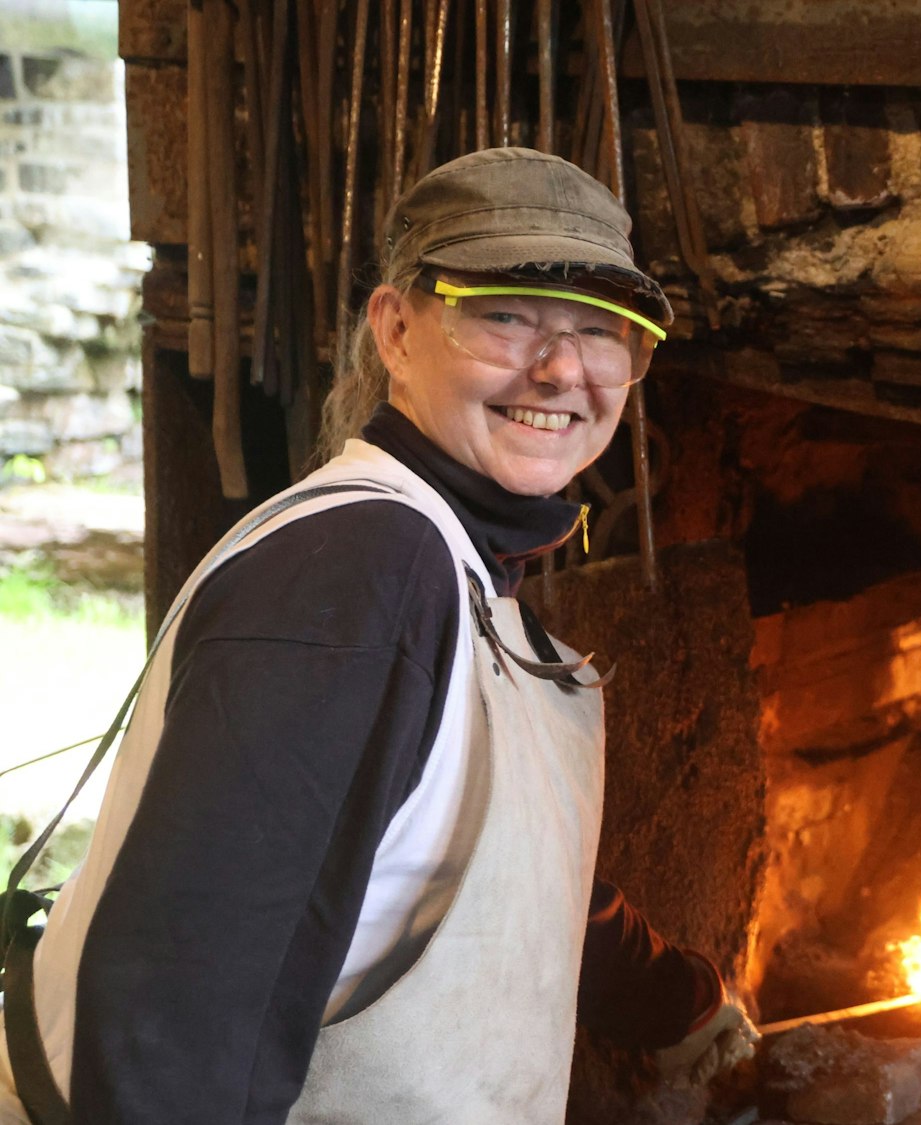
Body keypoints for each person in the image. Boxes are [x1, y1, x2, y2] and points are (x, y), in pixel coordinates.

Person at [0, 148, 752, 1124]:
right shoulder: (359, 569)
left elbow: (455, 868)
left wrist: (675, 1002)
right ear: (395, 329)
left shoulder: (448, 569)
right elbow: (164, 1013)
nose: (561, 367)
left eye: (600, 330)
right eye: (506, 313)